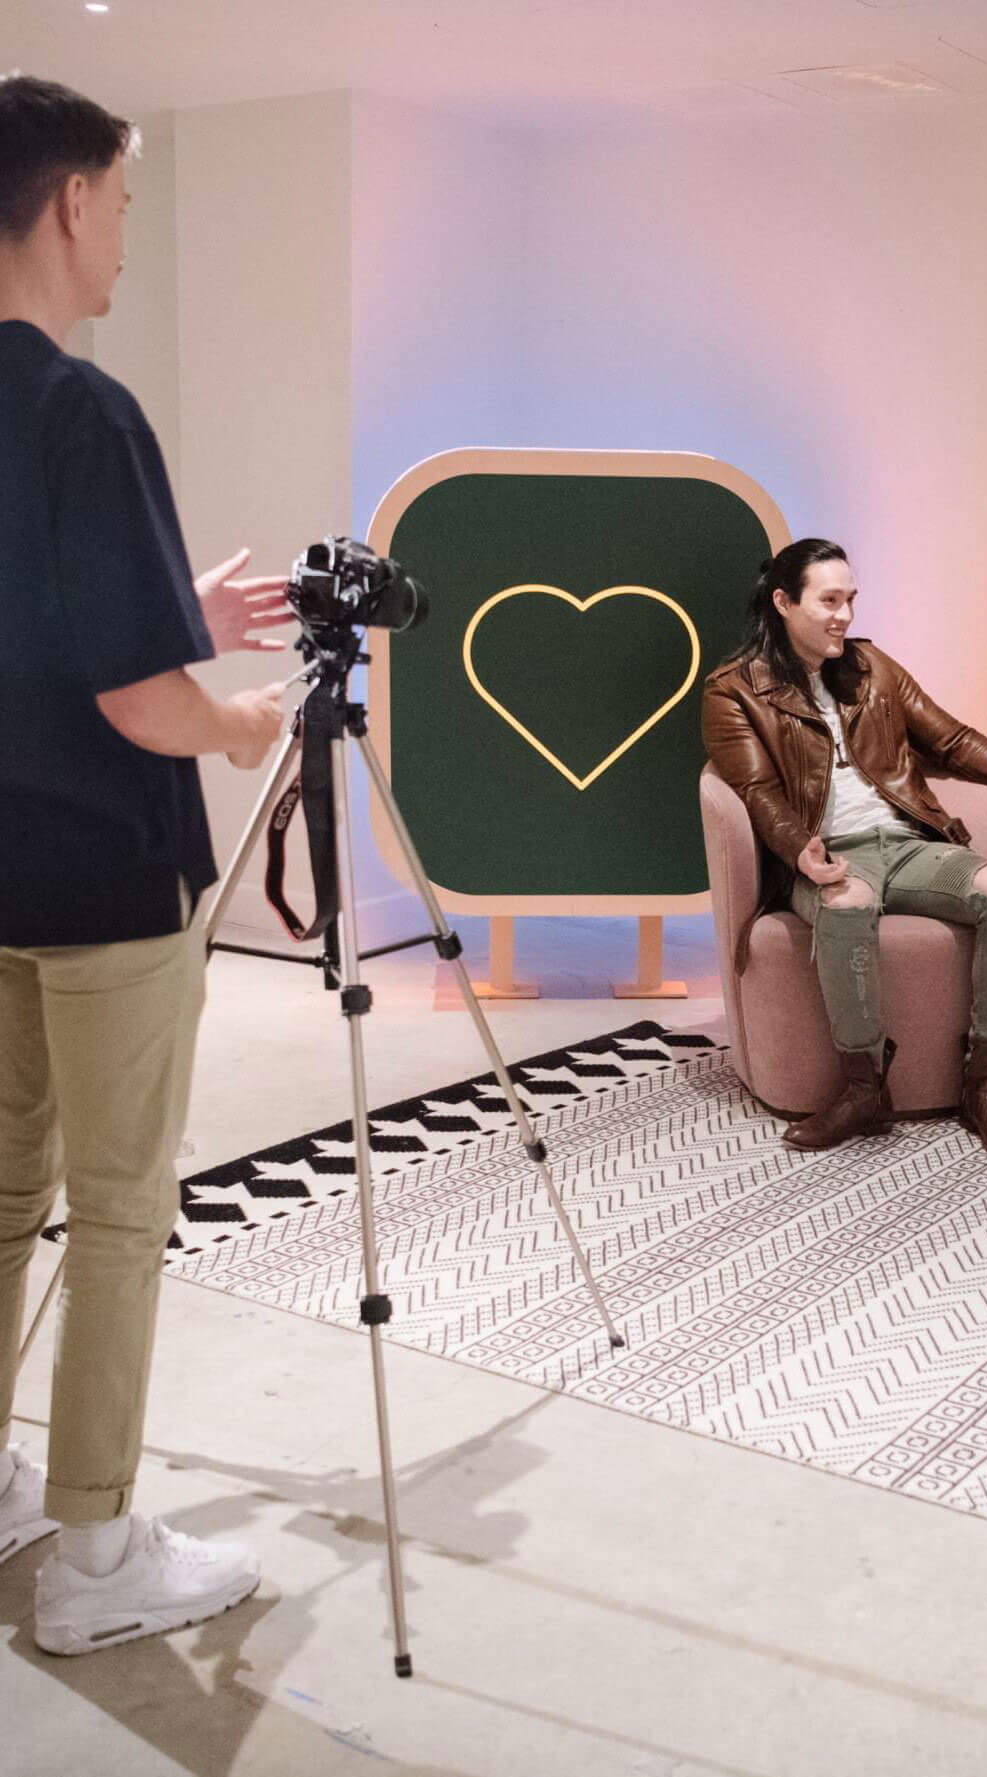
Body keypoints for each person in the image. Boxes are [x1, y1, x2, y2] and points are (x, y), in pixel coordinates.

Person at [0, 75, 293, 1656]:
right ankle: (97, 1552)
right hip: (110, 877)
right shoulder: (84, 408)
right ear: (67, 203)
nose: (123, 234)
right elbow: (128, 700)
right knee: (115, 1211)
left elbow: (32, 628)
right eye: (120, 201)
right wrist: (236, 717)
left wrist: (173, 605)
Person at [703, 539, 987, 1156]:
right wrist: (800, 847)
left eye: (850, 599)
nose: (845, 616)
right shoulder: (734, 691)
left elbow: (954, 739)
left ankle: (983, 1082)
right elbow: (756, 791)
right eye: (829, 601)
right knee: (848, 903)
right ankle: (863, 1088)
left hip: (910, 843)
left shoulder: (872, 668)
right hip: (829, 854)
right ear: (784, 602)